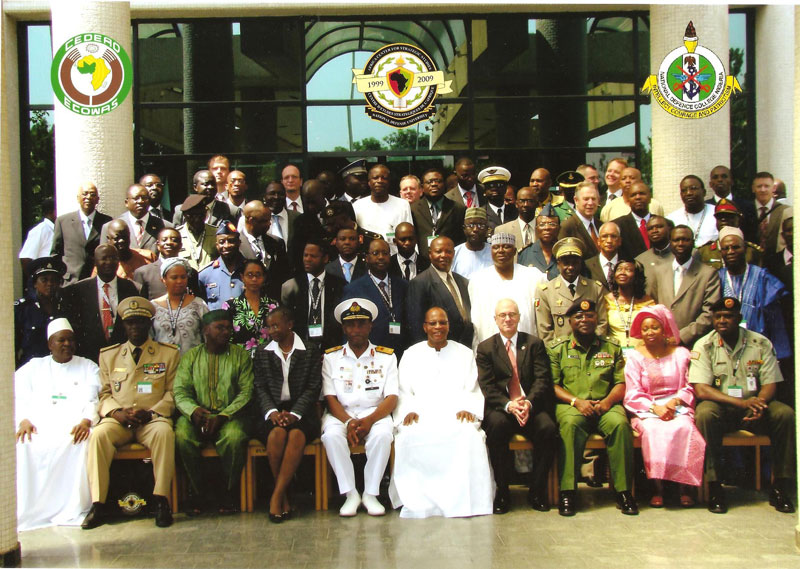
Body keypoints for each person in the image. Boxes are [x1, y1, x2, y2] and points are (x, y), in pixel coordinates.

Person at [689, 297, 795, 514]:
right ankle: (715, 487)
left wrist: (760, 404)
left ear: (739, 318)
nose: (722, 321)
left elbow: (771, 382)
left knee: (785, 414)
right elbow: (701, 389)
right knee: (705, 414)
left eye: (727, 316)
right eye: (717, 316)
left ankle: (780, 487)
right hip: (723, 407)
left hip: (754, 405)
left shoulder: (760, 343)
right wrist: (741, 402)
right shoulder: (704, 345)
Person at [82, 296, 180, 529]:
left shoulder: (168, 353)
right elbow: (104, 393)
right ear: (124, 326)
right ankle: (98, 504)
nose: (135, 328)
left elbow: (172, 393)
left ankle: (161, 500)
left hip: (151, 419)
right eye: (130, 323)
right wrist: (115, 413)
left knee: (164, 434)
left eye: (140, 322)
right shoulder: (109, 355)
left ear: (149, 324)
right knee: (98, 436)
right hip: (120, 420)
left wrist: (152, 413)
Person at [390, 307, 493, 518]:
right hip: (421, 415)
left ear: (449, 325)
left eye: (442, 323)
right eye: (433, 323)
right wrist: (408, 411)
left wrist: (468, 408)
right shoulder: (411, 354)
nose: (438, 327)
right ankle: (419, 499)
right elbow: (402, 390)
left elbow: (472, 388)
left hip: (456, 414)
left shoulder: (464, 354)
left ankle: (465, 500)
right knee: (408, 436)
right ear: (425, 327)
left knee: (468, 435)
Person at [548, 299, 637, 516]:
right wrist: (577, 402)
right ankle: (568, 492)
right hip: (572, 405)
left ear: (597, 319)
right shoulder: (557, 348)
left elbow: (621, 383)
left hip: (605, 404)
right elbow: (552, 385)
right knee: (569, 426)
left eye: (589, 316)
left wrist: (607, 402)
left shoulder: (612, 346)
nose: (584, 320)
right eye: (579, 316)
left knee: (620, 425)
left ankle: (624, 492)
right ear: (570, 321)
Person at [15, 318, 100, 531]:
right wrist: (23, 419)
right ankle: (31, 509)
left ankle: (72, 508)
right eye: (61, 340)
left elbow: (93, 398)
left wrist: (86, 421)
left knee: (81, 442)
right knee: (24, 443)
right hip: (39, 426)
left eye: (70, 340)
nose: (67, 345)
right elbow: (17, 396)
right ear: (49, 344)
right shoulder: (34, 367)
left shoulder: (88, 366)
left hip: (74, 426)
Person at [476, 299, 556, 514]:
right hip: (503, 408)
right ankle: (502, 491)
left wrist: (528, 402)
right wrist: (509, 405)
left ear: (519, 317)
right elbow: (487, 386)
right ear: (495, 319)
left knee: (548, 429)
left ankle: (537, 490)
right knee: (496, 427)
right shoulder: (485, 348)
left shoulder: (534, 344)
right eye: (503, 315)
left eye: (512, 314)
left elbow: (542, 380)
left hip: (531, 405)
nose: (508, 319)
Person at [321, 298, 398, 517]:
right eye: (351, 325)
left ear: (370, 326)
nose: (356, 329)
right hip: (340, 414)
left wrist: (369, 421)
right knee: (331, 436)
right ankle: (350, 493)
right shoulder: (331, 357)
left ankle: (371, 494)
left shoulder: (387, 357)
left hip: (375, 412)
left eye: (361, 324)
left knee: (383, 435)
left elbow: (391, 397)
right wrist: (348, 422)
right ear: (343, 328)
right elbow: (330, 397)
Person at [623, 305, 706, 507]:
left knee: (685, 427)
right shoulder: (634, 357)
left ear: (665, 328)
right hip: (648, 409)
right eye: (645, 329)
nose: (650, 332)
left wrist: (673, 402)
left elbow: (689, 385)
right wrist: (655, 408)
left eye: (655, 327)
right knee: (653, 431)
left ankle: (684, 487)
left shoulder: (681, 354)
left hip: (677, 405)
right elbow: (632, 391)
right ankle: (657, 487)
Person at [174, 309, 253, 514]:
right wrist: (192, 411)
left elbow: (246, 392)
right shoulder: (191, 357)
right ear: (205, 331)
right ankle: (198, 492)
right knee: (182, 436)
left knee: (234, 438)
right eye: (220, 327)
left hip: (230, 415)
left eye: (228, 327)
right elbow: (180, 391)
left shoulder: (240, 356)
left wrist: (224, 415)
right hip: (196, 415)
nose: (226, 332)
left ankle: (229, 492)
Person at [253, 306, 322, 522]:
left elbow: (313, 387)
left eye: (276, 325)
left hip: (302, 411)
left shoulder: (309, 350)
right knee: (276, 435)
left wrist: (295, 414)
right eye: (269, 326)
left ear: (289, 324)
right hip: (273, 409)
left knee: (295, 435)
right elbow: (260, 387)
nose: (271, 330)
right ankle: (283, 494)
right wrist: (273, 412)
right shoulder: (263, 352)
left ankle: (277, 496)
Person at [717, 227, 790, 359]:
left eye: (735, 247)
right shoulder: (717, 279)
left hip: (759, 350)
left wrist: (778, 356)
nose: (730, 252)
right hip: (725, 351)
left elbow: (776, 322)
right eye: (725, 248)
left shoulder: (762, 277)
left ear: (744, 248)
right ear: (721, 252)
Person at [468, 232, 547, 347]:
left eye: (506, 246)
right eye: (496, 247)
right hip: (491, 349)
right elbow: (476, 320)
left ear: (515, 251)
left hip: (526, 347)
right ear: (491, 251)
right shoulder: (478, 280)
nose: (501, 250)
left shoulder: (533, 277)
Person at [648, 225, 720, 347]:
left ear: (693, 243)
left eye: (685, 240)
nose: (680, 243)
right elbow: (652, 304)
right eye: (676, 240)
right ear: (670, 243)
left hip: (695, 344)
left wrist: (682, 336)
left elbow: (710, 313)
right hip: (663, 343)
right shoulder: (659, 271)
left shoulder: (708, 274)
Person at [342, 238, 408, 356]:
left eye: (385, 253)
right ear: (367, 258)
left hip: (402, 352)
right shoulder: (354, 289)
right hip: (371, 355)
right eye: (375, 253)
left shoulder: (403, 286)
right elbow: (348, 329)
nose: (381, 257)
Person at [535, 237, 608, 342]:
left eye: (575, 263)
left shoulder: (596, 288)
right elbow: (545, 331)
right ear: (558, 263)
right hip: (560, 354)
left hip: (591, 351)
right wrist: (559, 353)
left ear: (581, 263)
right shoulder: (546, 291)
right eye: (566, 263)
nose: (570, 267)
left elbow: (602, 323)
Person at [406, 236, 473, 348]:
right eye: (438, 251)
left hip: (465, 349)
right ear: (430, 253)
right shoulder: (419, 283)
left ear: (454, 253)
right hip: (437, 350)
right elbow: (416, 326)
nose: (444, 255)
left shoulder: (463, 282)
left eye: (448, 251)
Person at [280, 239, 346, 350]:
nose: (307, 259)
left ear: (325, 259)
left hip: (332, 347)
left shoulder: (339, 285)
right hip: (300, 347)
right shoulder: (291, 286)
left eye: (313, 256)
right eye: (305, 255)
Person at [51, 182, 112, 285]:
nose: (88, 197)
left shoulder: (107, 222)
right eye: (85, 194)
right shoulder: (62, 221)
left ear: (97, 200)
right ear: (78, 198)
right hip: (69, 282)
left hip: (97, 280)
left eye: (92, 194)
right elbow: (55, 254)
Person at [15, 256, 67, 367]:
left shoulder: (66, 307)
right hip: (31, 370)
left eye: (54, 280)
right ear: (35, 283)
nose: (49, 284)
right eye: (44, 280)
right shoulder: (23, 309)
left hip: (61, 368)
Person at [151, 257, 209, 354]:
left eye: (183, 277)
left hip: (193, 364)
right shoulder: (153, 307)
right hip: (162, 365)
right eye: (174, 277)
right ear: (163, 280)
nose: (179, 281)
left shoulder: (199, 304)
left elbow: (208, 337)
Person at [224, 258, 280, 356]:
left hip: (268, 361)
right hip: (240, 361)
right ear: (242, 277)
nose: (254, 279)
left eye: (258, 275)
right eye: (250, 275)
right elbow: (226, 339)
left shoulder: (273, 306)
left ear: (264, 277)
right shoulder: (230, 306)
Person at [353, 164, 413, 253]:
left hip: (395, 259)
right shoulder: (357, 206)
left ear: (389, 182)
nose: (380, 181)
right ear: (369, 182)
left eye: (384, 178)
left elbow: (410, 236)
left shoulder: (402, 205)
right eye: (375, 178)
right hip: (367, 260)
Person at [239, 201, 291, 298]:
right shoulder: (236, 245)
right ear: (251, 220)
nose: (269, 223)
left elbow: (284, 275)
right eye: (264, 221)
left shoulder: (276, 243)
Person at [410, 167, 466, 256]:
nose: (434, 184)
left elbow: (461, 239)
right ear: (422, 187)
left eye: (438, 181)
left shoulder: (457, 208)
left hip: (450, 260)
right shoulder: (413, 209)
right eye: (429, 182)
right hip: (424, 262)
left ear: (444, 184)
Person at [101, 183, 171, 254]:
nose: (140, 201)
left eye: (144, 198)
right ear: (126, 202)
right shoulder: (109, 227)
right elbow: (104, 257)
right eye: (136, 198)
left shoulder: (165, 226)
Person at [134, 228, 199, 300]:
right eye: (164, 240)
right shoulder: (143, 273)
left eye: (174, 240)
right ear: (158, 245)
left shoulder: (191, 272)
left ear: (181, 245)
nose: (169, 243)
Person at [696, 199, 763, 269]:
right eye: (720, 217)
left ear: (739, 220)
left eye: (729, 217)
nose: (723, 220)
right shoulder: (704, 252)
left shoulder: (751, 251)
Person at [604, 260, 654, 351]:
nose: (622, 273)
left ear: (637, 276)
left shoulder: (647, 302)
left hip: (641, 354)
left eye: (628, 270)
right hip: (613, 353)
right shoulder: (605, 301)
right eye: (619, 269)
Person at [198, 222, 247, 310]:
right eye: (222, 242)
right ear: (216, 245)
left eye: (231, 241)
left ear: (239, 243)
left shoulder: (251, 270)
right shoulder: (205, 274)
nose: (226, 245)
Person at [706, 165, 757, 243]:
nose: (720, 180)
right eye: (715, 177)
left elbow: (752, 235)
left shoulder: (747, 206)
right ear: (710, 184)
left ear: (732, 181)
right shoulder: (705, 207)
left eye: (724, 176)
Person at [666, 175, 718, 248]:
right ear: (681, 195)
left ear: (704, 192)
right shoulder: (672, 219)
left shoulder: (717, 213)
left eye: (693, 188)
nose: (688, 193)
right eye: (684, 190)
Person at [172, 170, 237, 227]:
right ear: (195, 187)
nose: (211, 187)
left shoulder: (230, 210)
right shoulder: (181, 210)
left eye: (213, 184)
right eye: (206, 184)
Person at [611, 181, 655, 259]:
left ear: (650, 197)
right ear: (628, 200)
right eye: (633, 195)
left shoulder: (665, 224)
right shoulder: (617, 226)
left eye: (642, 193)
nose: (638, 197)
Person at [752, 171, 793, 254]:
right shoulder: (747, 210)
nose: (763, 190)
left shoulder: (786, 211)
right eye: (759, 186)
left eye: (767, 186)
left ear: (773, 188)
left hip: (777, 263)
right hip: (752, 263)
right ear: (753, 188)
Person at [558, 181, 601, 258]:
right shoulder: (567, 227)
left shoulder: (601, 225)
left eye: (593, 199)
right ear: (576, 200)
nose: (590, 203)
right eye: (586, 199)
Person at [176, 194, 218, 271]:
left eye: (200, 215)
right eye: (192, 216)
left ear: (206, 213)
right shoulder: (177, 235)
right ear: (184, 215)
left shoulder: (217, 233)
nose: (196, 219)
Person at [518, 203, 560, 279]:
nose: (547, 228)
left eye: (552, 224)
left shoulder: (567, 254)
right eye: (542, 224)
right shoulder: (525, 254)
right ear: (536, 229)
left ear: (559, 228)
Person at [19, 197, 55, 280]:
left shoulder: (56, 230)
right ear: (51, 211)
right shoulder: (41, 230)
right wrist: (34, 279)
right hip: (41, 282)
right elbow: (25, 258)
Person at [452, 207, 493, 279]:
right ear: (464, 229)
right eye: (471, 225)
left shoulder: (494, 252)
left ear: (487, 229)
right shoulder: (455, 253)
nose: (475, 229)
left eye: (481, 225)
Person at [496, 186, 537, 252]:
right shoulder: (502, 230)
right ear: (516, 204)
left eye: (530, 201)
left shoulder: (545, 229)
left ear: (537, 204)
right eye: (522, 201)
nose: (526, 204)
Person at [584, 221, 622, 291]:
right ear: (598, 241)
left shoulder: (628, 264)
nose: (609, 240)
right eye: (605, 236)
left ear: (620, 241)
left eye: (613, 236)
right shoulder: (586, 266)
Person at [264, 180, 299, 252]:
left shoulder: (297, 218)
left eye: (280, 194)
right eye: (272, 193)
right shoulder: (258, 219)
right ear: (264, 197)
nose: (276, 197)